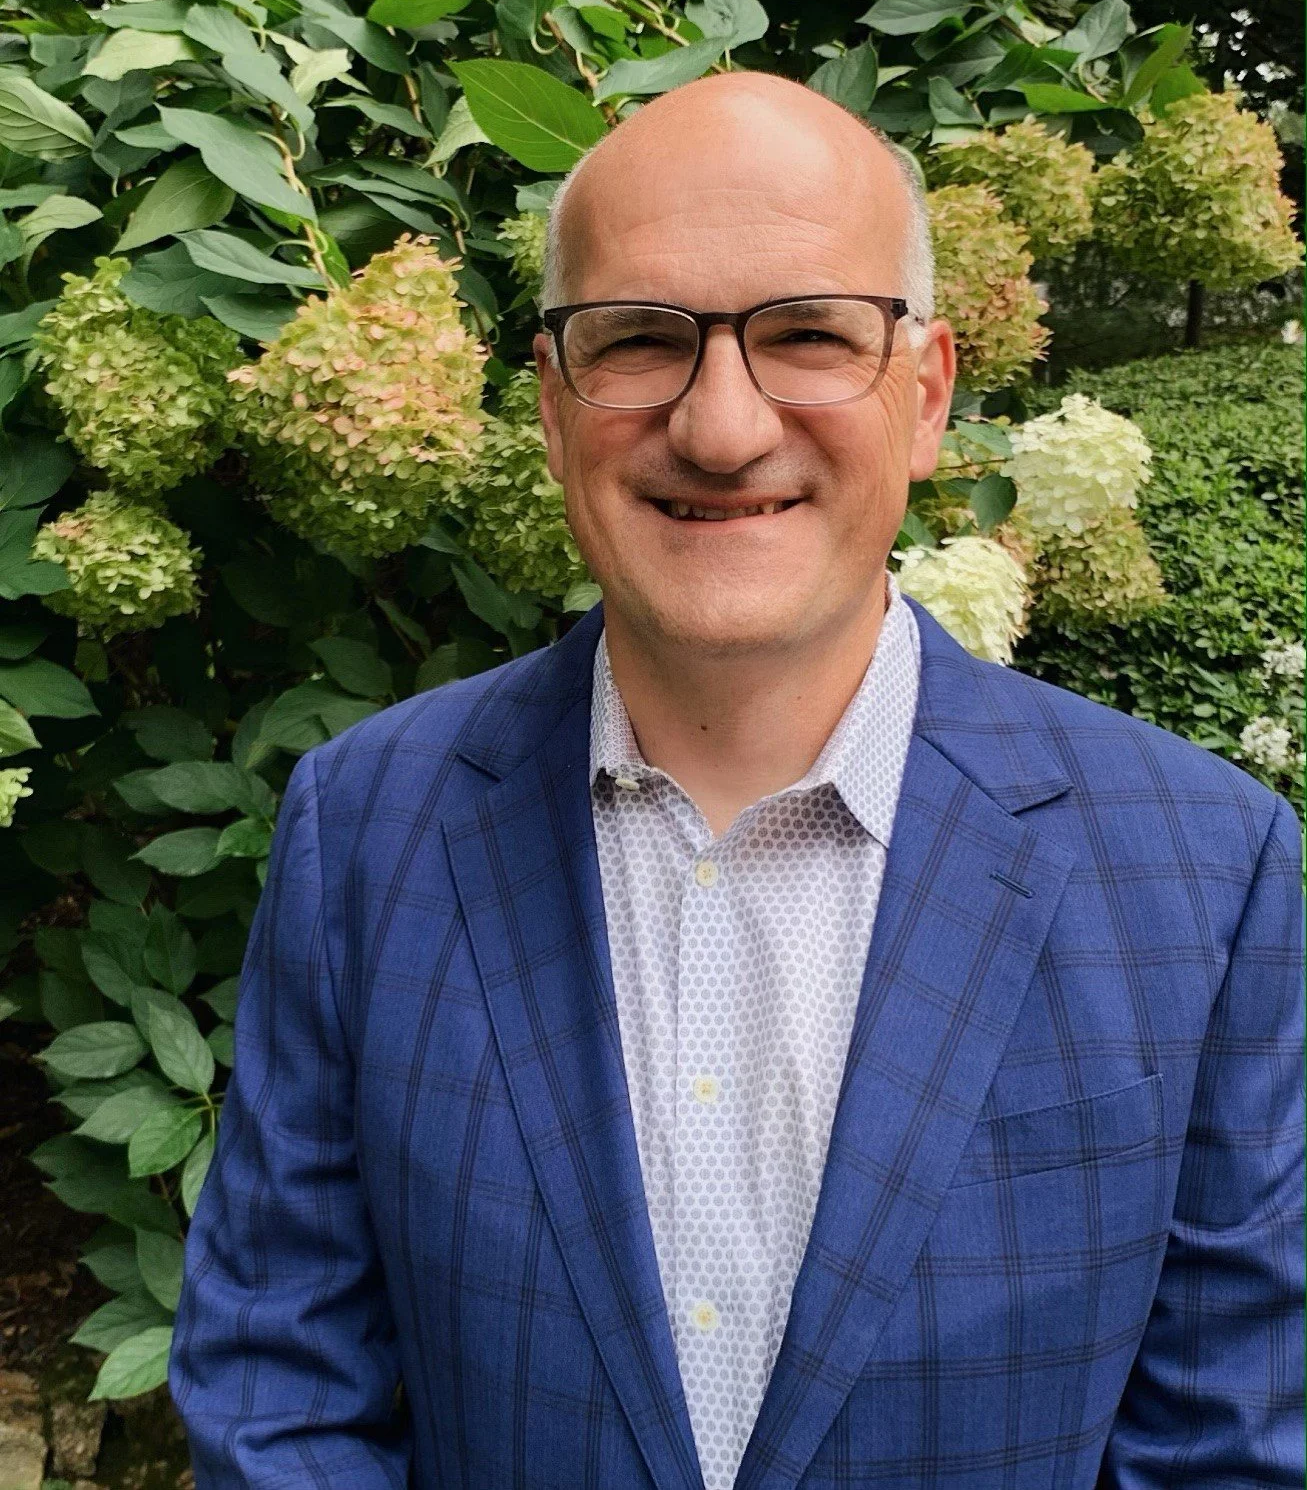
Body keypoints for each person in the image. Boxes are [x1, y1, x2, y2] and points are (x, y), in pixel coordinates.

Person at [170, 72, 1304, 1489]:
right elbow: (284, 1394)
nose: (719, 426)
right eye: (638, 338)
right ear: (549, 398)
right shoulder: (366, 829)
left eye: (807, 334)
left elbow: (1229, 1444)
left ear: (928, 393)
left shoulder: (1202, 866)